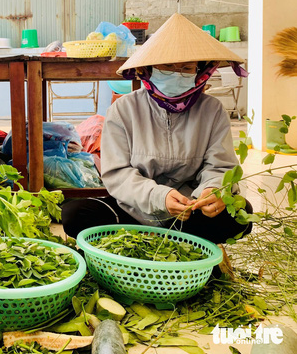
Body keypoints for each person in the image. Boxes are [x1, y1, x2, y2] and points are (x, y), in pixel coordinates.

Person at [62, 13, 253, 244]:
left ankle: (170, 241)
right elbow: (117, 174)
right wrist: (159, 197)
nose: (176, 73)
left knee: (242, 214)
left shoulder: (212, 110)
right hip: (136, 211)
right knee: (75, 214)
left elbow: (221, 166)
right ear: (149, 69)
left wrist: (213, 191)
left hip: (190, 211)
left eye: (186, 67)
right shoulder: (124, 109)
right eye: (168, 66)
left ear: (199, 72)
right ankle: (171, 241)